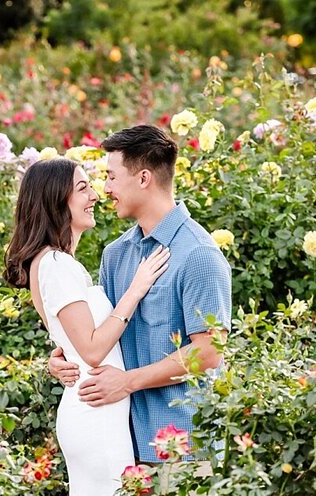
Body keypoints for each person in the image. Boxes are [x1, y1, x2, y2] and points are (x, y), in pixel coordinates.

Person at [49, 125, 231, 465]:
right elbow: (103, 332)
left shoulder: (198, 254)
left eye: (112, 177)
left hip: (187, 449)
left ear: (144, 178)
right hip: (121, 444)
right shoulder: (115, 255)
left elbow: (208, 352)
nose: (105, 190)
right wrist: (63, 358)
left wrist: (127, 383)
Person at [3, 158, 170, 496]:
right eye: (82, 188)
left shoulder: (55, 264)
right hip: (96, 413)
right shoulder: (55, 265)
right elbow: (92, 350)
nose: (94, 195)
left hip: (95, 406)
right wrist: (136, 290)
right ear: (55, 200)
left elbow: (74, 344)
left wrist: (59, 358)